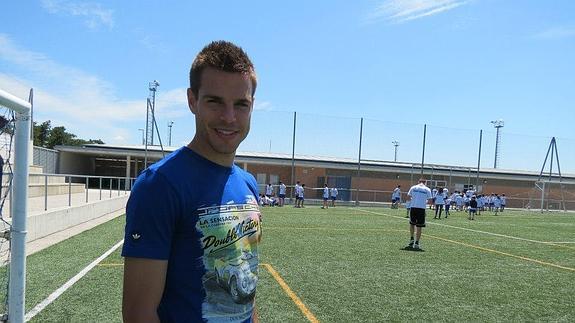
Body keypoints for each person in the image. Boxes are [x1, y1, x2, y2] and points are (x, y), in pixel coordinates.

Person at [122, 41, 261, 323]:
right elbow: (139, 314)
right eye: (215, 101)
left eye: (241, 104)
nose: (229, 117)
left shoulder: (248, 184)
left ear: (252, 106)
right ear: (192, 100)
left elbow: (246, 294)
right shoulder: (159, 185)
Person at [405, 179, 433, 251]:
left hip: (413, 207)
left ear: (418, 182)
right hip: (421, 209)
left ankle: (411, 238)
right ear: (425, 183)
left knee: (412, 224)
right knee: (419, 226)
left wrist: (414, 199)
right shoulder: (427, 189)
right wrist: (423, 201)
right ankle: (417, 243)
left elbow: (408, 198)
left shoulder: (413, 187)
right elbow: (430, 201)